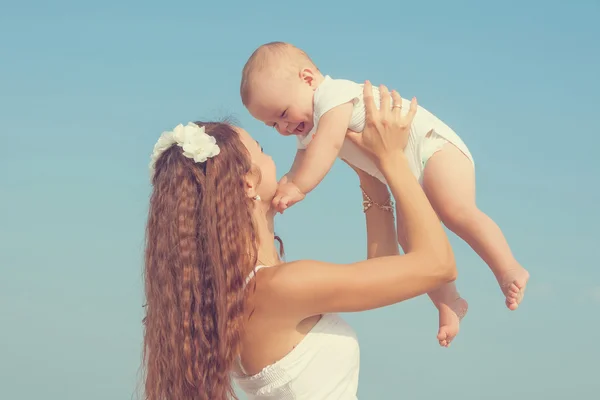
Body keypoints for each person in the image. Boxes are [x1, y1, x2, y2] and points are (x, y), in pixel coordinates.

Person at [142, 83, 456, 400]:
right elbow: (438, 265)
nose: (274, 155)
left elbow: (383, 269)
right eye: (262, 151)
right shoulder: (281, 287)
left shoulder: (238, 297)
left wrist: (368, 175)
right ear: (249, 182)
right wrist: (391, 158)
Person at [240, 41, 530, 343]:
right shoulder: (310, 123)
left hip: (433, 149)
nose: (284, 128)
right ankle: (450, 303)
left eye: (283, 114)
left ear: (308, 79)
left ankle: (507, 267)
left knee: (455, 209)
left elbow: (326, 147)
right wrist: (287, 180)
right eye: (273, 125)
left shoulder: (333, 97)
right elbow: (304, 157)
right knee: (412, 240)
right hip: (403, 170)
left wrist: (298, 186)